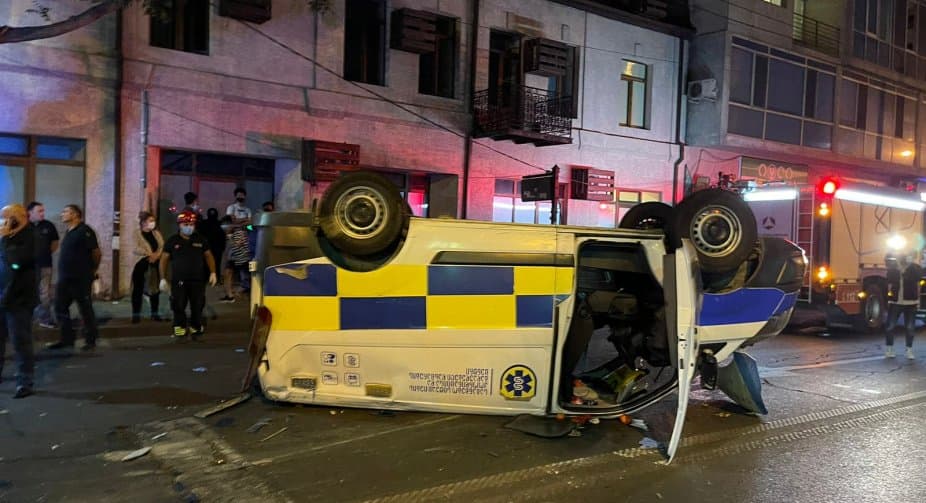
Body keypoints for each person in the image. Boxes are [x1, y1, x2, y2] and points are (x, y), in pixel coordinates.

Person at [47, 205, 100, 352]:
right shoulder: (69, 232)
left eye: (65, 211)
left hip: (80, 278)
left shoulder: (85, 231)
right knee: (60, 307)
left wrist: (92, 270)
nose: (62, 214)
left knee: (85, 308)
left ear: (75, 214)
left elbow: (96, 253)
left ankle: (90, 340)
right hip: (65, 278)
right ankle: (66, 339)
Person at [160, 211, 217, 340]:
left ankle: (196, 327)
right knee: (178, 304)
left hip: (197, 280)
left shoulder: (200, 239)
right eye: (186, 224)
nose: (189, 227)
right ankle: (179, 327)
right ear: (180, 225)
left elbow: (209, 256)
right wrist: (163, 278)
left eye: (191, 224)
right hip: (179, 280)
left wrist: (213, 272)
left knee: (197, 305)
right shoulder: (172, 241)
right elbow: (164, 260)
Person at [0, 204, 38, 398]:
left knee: (20, 341)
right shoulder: (8, 237)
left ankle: (25, 382)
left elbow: (16, 261)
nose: (3, 221)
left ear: (20, 216)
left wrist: (5, 238)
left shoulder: (30, 235)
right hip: (2, 295)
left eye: (7, 217)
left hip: (19, 298)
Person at [885, 249, 923, 359]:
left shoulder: (915, 268)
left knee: (910, 327)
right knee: (890, 326)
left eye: (909, 257)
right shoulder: (894, 268)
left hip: (911, 302)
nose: (906, 259)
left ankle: (909, 350)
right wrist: (896, 268)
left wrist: (910, 266)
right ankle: (889, 348)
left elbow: (918, 277)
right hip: (896, 301)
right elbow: (889, 279)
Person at [28, 201, 59, 329]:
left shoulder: (48, 225)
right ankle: (27, 318)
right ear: (30, 213)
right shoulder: (24, 226)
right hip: (28, 267)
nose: (42, 213)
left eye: (43, 211)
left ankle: (45, 319)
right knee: (28, 292)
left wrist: (44, 253)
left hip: (45, 265)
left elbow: (54, 244)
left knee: (44, 293)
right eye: (39, 211)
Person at [131, 212, 164, 323]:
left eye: (153, 221)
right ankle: (136, 315)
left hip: (155, 265)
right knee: (138, 290)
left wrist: (156, 255)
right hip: (141, 265)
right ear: (144, 222)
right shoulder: (137, 234)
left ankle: (155, 314)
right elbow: (135, 248)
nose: (153, 223)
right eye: (150, 221)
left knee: (155, 290)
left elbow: (161, 246)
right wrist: (149, 254)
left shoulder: (156, 233)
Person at [219, 215, 250, 302]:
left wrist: (229, 236)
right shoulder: (235, 231)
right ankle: (230, 295)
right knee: (228, 275)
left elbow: (237, 245)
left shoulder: (239, 231)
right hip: (235, 258)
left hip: (239, 259)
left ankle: (231, 295)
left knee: (230, 276)